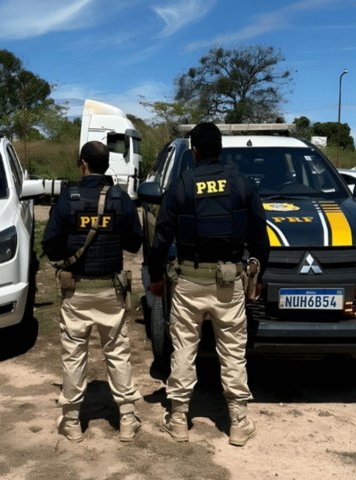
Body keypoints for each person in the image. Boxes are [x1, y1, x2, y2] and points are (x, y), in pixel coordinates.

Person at [147, 122, 269, 446]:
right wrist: (259, 274)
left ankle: (178, 420)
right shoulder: (241, 184)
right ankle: (239, 423)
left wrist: (156, 277)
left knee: (184, 349)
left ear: (194, 150)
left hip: (188, 281)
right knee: (233, 352)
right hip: (229, 283)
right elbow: (260, 236)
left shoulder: (182, 185)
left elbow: (161, 238)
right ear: (220, 149)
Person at [42, 140, 143, 443]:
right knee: (117, 352)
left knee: (74, 355)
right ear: (106, 164)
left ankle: (72, 422)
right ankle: (127, 420)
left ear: (82, 164)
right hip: (111, 290)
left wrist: (68, 256)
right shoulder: (120, 197)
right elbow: (134, 243)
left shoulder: (68, 198)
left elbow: (50, 244)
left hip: (76, 291)